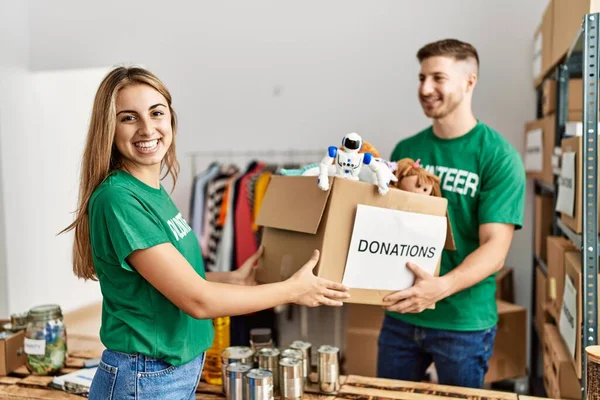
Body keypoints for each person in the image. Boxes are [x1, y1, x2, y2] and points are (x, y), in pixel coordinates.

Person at [61, 66, 350, 400]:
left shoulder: (152, 191)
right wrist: (291, 290)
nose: (147, 128)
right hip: (144, 377)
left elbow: (165, 278)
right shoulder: (119, 198)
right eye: (129, 118)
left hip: (170, 372)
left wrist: (230, 278)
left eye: (157, 113)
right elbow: (197, 300)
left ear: (171, 119)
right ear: (108, 128)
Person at [377, 39, 526, 388]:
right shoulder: (406, 151)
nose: (425, 88)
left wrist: (440, 288)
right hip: (402, 313)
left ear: (469, 81)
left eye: (438, 78)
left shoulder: (498, 157)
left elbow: (494, 248)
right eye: (421, 78)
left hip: (462, 322)